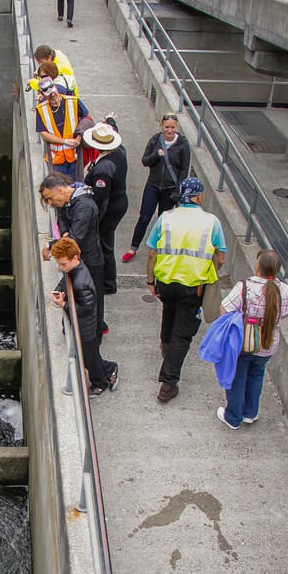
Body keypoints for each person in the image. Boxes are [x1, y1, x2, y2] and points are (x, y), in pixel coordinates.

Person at [146, 177, 226, 402]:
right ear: (199, 197)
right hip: (193, 286)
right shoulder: (212, 222)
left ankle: (166, 348)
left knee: (168, 314)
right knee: (183, 332)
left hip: (166, 282)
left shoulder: (166, 218)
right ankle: (168, 384)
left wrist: (151, 281)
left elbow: (152, 254)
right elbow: (220, 258)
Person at [216, 250, 288, 428]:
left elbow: (225, 309)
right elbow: (285, 313)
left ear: (258, 267)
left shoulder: (245, 287)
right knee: (257, 375)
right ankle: (250, 413)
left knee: (238, 377)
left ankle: (233, 417)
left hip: (244, 343)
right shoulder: (286, 291)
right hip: (268, 344)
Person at [39, 173, 105, 342]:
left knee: (92, 304)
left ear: (60, 190)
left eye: (49, 198)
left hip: (90, 260)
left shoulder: (85, 206)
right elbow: (62, 219)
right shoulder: (66, 201)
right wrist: (65, 235)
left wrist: (51, 245)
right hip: (78, 258)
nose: (49, 203)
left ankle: (94, 339)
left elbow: (76, 238)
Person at [50, 237, 119, 395]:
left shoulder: (81, 282)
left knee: (89, 358)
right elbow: (65, 280)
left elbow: (85, 308)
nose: (61, 268)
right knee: (90, 355)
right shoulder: (75, 270)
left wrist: (63, 305)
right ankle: (108, 370)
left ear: (74, 258)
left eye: (63, 264)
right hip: (84, 325)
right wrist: (59, 289)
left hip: (86, 327)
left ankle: (100, 382)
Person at [123, 112, 191, 262]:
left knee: (164, 219)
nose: (169, 130)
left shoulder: (183, 144)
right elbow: (145, 161)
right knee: (144, 216)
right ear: (161, 126)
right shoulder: (155, 140)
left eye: (172, 127)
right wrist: (156, 155)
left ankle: (160, 249)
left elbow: (184, 169)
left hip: (170, 188)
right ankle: (133, 247)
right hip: (153, 185)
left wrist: (177, 189)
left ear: (176, 127)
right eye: (166, 127)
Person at [83, 120, 128, 297]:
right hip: (119, 201)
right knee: (107, 242)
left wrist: (94, 220)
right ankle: (108, 281)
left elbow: (101, 199)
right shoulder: (119, 153)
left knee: (104, 244)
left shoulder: (103, 169)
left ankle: (108, 283)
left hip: (111, 207)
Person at [35, 78, 89, 180]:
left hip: (74, 155)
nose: (53, 95)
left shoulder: (73, 101)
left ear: (56, 87)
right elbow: (44, 134)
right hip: (57, 160)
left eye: (53, 92)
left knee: (74, 186)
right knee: (60, 188)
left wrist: (78, 138)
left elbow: (87, 120)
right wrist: (65, 141)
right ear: (43, 95)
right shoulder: (41, 109)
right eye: (49, 94)